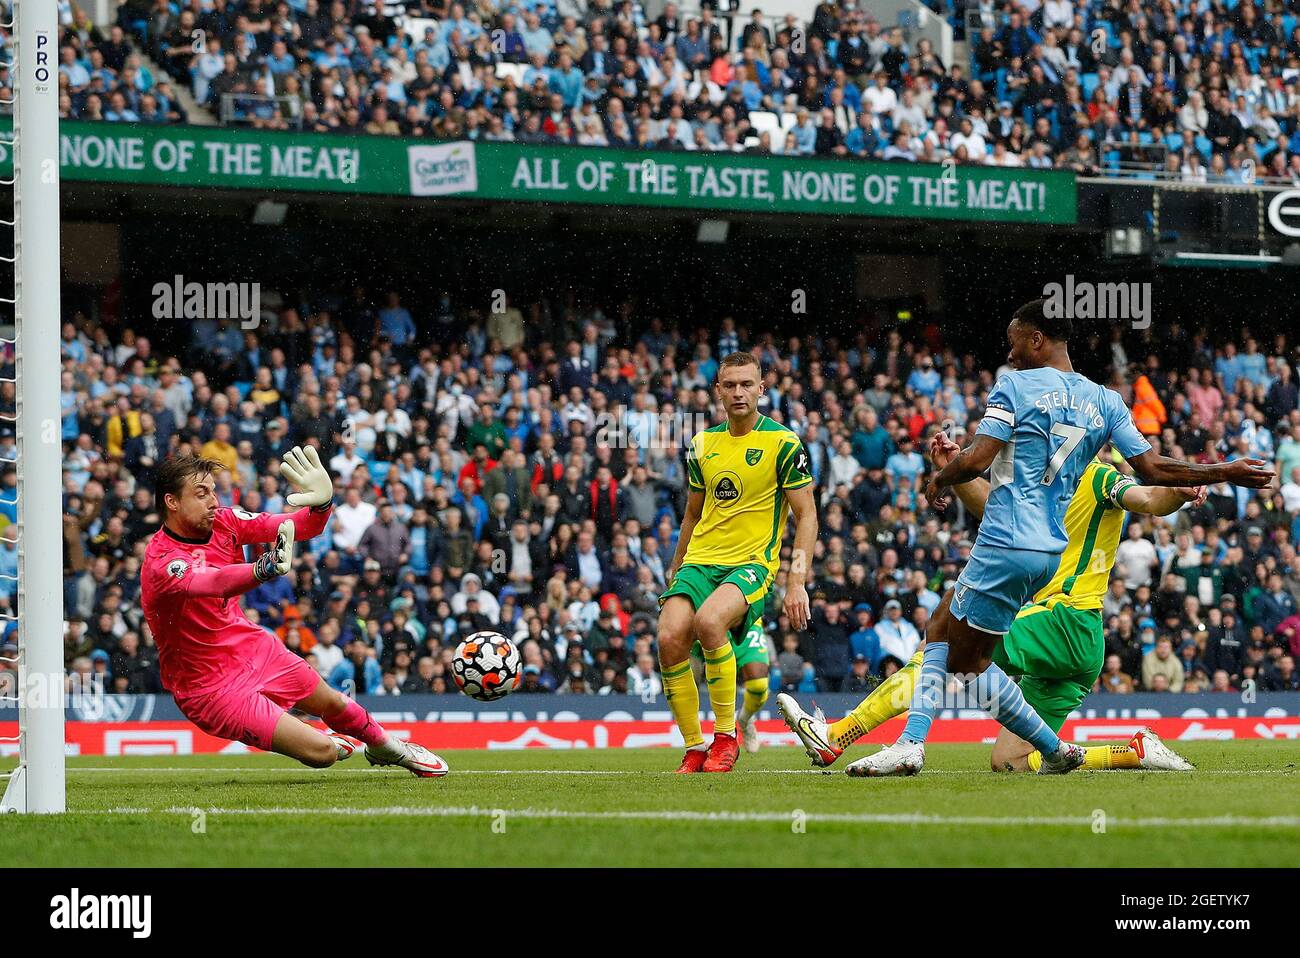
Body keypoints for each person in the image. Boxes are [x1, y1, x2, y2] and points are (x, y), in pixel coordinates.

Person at [850, 298, 1272, 776]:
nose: (1009, 357)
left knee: (949, 642)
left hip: (1044, 588)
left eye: (1013, 345)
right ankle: (1086, 751)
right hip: (1045, 560)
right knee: (1001, 745)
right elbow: (1153, 468)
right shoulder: (1104, 404)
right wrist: (1225, 471)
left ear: (1035, 339)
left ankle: (881, 740)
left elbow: (981, 462)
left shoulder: (1018, 388)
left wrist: (942, 476)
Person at [781, 433, 1198, 773]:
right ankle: (1132, 752)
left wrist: (1175, 494)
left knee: (942, 652)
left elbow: (1147, 500)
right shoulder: (1041, 487)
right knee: (1011, 762)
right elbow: (990, 508)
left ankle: (839, 735)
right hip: (1073, 647)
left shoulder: (1099, 477)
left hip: (1065, 620)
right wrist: (955, 469)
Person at [140, 450, 447, 777]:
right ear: (172, 502)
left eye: (214, 491)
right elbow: (212, 583)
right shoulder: (161, 561)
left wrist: (322, 505)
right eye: (201, 494)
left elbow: (297, 527)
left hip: (251, 647)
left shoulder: (227, 521)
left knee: (332, 703)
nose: (214, 500)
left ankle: (390, 747)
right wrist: (261, 569)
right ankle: (319, 739)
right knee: (322, 754)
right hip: (209, 687)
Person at [658, 351, 817, 773]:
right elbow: (693, 514)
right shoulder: (702, 444)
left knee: (710, 622)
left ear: (762, 389)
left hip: (750, 564)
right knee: (669, 635)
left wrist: (796, 580)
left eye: (747, 384)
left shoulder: (783, 443)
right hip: (699, 561)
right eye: (730, 385)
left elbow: (807, 515)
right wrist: (677, 568)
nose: (738, 392)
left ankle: (726, 737)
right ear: (718, 391)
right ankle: (694, 747)